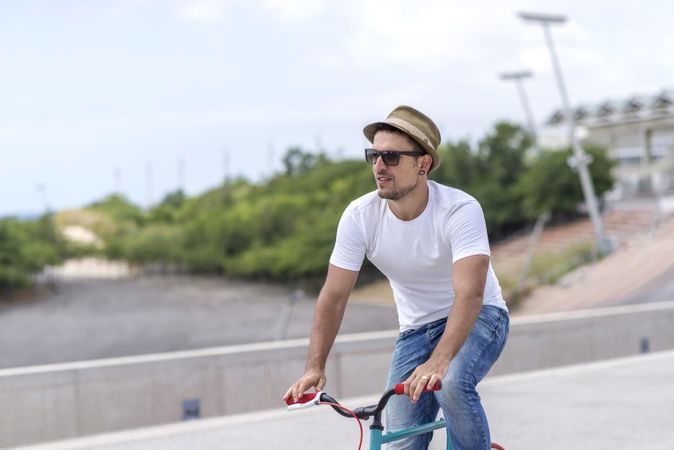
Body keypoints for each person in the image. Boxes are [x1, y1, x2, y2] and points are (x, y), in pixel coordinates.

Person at [283, 105, 509, 450]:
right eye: (373, 155)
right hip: (416, 330)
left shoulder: (460, 210)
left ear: (423, 163)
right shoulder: (360, 216)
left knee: (451, 383)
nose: (378, 166)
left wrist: (440, 359)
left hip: (481, 316)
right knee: (401, 441)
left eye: (390, 156)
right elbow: (334, 296)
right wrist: (315, 366)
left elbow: (470, 295)